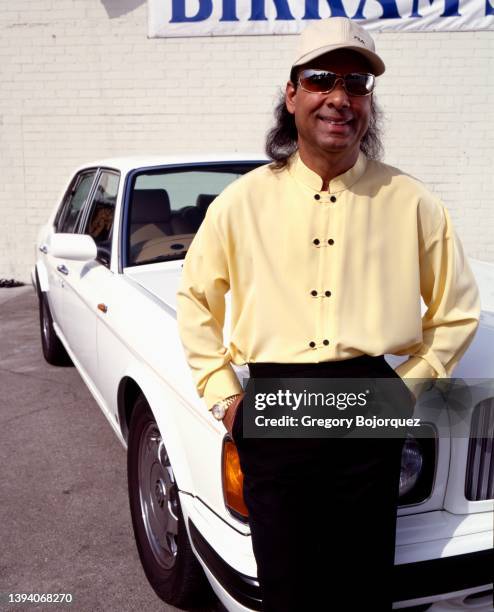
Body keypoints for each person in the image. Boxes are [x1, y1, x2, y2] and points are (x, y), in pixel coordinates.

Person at [176, 17, 480, 611]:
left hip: (369, 399)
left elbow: (457, 311)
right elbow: (196, 300)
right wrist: (222, 395)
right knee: (287, 588)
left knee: (363, 588)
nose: (340, 97)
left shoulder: (413, 202)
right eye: (321, 79)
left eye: (357, 83)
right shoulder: (243, 202)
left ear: (369, 102)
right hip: (275, 404)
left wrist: (406, 389)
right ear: (292, 95)